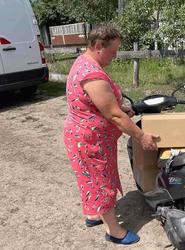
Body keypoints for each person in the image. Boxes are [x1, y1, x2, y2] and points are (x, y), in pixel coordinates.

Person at [63, 24, 159, 245]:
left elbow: (97, 105)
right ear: (98, 46)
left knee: (89, 178)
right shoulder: (92, 74)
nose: (115, 57)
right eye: (113, 51)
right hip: (90, 141)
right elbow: (114, 116)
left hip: (81, 137)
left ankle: (93, 215)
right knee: (101, 181)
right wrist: (140, 135)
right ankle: (114, 231)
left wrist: (120, 108)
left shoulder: (83, 62)